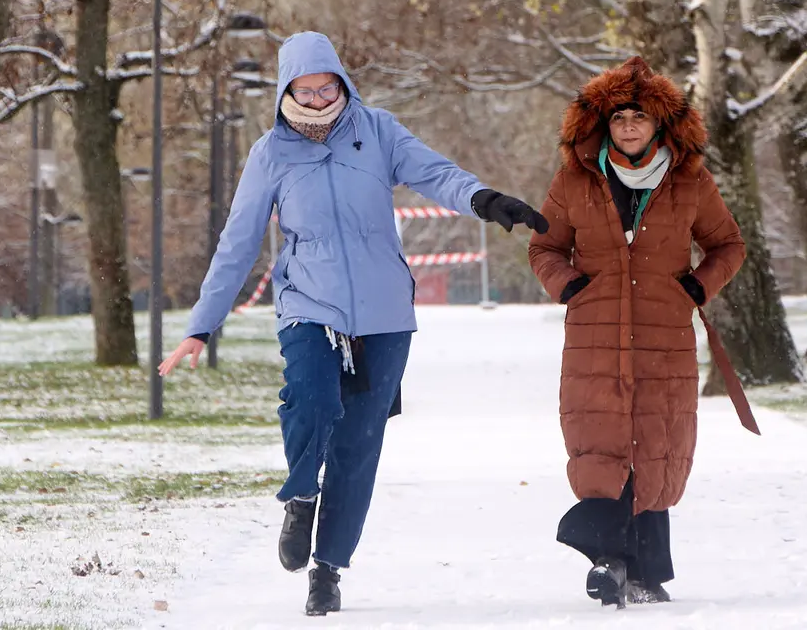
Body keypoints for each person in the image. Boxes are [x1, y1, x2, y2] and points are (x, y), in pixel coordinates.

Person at [159, 31, 548, 616]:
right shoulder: (270, 153)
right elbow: (237, 243)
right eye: (306, 91)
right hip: (309, 304)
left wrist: (484, 199)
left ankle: (328, 569)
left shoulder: (377, 130)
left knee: (359, 445)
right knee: (311, 401)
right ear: (286, 91)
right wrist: (201, 325)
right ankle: (300, 495)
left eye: (327, 88)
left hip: (384, 313)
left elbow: (437, 174)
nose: (319, 101)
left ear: (342, 83)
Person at [528, 57, 757, 607]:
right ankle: (610, 561)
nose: (628, 127)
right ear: (602, 125)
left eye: (639, 117)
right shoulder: (575, 180)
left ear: (659, 124)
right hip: (595, 334)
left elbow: (728, 245)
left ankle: (643, 571)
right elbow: (545, 247)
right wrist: (569, 286)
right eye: (618, 118)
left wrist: (697, 286)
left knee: (655, 443)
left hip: (664, 333)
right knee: (600, 441)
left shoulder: (690, 182)